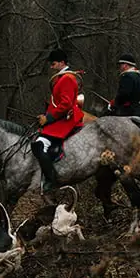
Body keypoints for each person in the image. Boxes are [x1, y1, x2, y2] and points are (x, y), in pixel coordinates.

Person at [32, 49, 84, 192]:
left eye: (53, 63)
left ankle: (51, 180)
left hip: (65, 119)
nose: (51, 66)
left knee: (38, 145)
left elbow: (65, 104)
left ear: (62, 63)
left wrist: (48, 118)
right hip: (61, 117)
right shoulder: (63, 78)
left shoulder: (67, 78)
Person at [107, 53, 140, 123]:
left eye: (121, 65)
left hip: (128, 110)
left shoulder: (127, 76)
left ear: (125, 65)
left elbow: (124, 94)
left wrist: (115, 103)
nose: (120, 67)